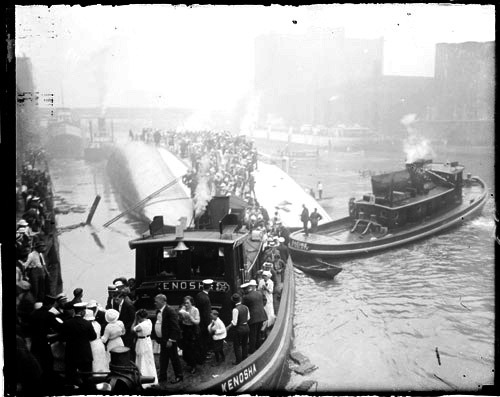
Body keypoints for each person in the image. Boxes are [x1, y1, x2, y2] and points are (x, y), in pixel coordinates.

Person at [60, 302, 97, 387]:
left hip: (71, 354)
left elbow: (62, 337)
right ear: (82, 312)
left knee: (70, 378)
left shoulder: (67, 323)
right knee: (87, 378)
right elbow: (93, 337)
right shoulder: (87, 323)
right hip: (85, 355)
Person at [154, 294, 183, 384]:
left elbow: (175, 327)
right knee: (163, 358)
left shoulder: (170, 311)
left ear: (163, 301)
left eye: (157, 301)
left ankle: (179, 376)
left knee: (174, 358)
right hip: (163, 339)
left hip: (169, 340)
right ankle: (162, 377)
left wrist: (171, 340)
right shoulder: (158, 311)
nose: (155, 303)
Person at [132, 309, 158, 387]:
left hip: (142, 342)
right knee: (149, 360)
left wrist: (135, 320)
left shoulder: (140, 326)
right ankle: (151, 377)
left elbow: (132, 329)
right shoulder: (149, 321)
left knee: (142, 359)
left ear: (139, 317)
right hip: (148, 341)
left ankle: (144, 380)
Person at [241, 280, 267, 354]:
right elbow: (265, 300)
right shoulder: (259, 293)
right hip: (261, 315)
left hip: (253, 318)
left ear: (245, 289)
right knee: (258, 333)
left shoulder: (246, 297)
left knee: (252, 334)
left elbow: (244, 308)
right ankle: (258, 346)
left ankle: (252, 350)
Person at [178, 296, 203, 374]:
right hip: (185, 329)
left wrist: (190, 317)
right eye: (185, 303)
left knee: (192, 349)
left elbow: (197, 322)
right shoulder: (184, 309)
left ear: (191, 303)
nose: (186, 304)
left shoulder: (195, 310)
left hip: (193, 330)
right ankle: (189, 362)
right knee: (185, 348)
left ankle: (193, 366)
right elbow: (180, 319)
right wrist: (181, 316)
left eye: (188, 303)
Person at [225, 293, 250, 365]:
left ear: (233, 301)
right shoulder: (245, 307)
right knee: (245, 344)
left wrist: (228, 327)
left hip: (239, 329)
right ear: (240, 299)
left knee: (237, 345)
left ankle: (238, 361)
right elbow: (248, 318)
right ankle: (245, 358)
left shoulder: (235, 310)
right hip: (246, 328)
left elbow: (234, 323)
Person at [113, 291, 136, 360]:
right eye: (115, 300)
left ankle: (131, 362)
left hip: (128, 331)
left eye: (117, 299)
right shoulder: (116, 305)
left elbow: (133, 319)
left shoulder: (129, 306)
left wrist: (126, 328)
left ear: (122, 297)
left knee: (129, 348)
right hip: (121, 331)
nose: (116, 301)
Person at [195, 279, 213, 360]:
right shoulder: (206, 299)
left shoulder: (199, 295)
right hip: (205, 323)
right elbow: (206, 314)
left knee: (201, 339)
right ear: (209, 287)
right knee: (205, 339)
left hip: (199, 321)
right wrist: (209, 325)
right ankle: (205, 355)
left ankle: (202, 353)